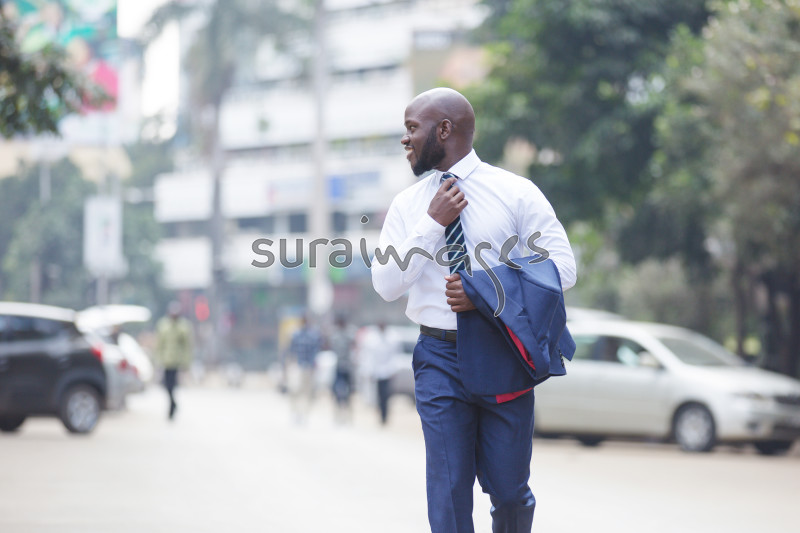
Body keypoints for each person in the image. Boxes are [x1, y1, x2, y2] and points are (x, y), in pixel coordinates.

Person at [371, 88, 577, 533]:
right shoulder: (409, 206)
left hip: (504, 353)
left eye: (412, 128)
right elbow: (386, 285)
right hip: (438, 357)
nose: (405, 139)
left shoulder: (516, 193)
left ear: (444, 130)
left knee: (509, 491)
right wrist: (432, 223)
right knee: (447, 491)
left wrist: (486, 292)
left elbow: (563, 269)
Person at [155, 301, 194, 421]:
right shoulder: (163, 325)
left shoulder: (183, 327)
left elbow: (187, 346)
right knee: (166, 386)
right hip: (166, 360)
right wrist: (157, 360)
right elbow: (159, 345)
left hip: (177, 361)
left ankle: (171, 407)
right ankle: (173, 403)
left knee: (172, 385)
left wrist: (186, 362)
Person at [359, 322, 401, 426]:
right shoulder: (372, 338)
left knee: (385, 396)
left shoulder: (392, 337)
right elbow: (369, 356)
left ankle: (385, 416)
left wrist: (393, 370)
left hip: (387, 372)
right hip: (376, 372)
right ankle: (380, 415)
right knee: (377, 396)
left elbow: (394, 355)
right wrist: (369, 370)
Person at [287, 314, 322, 424]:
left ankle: (305, 414)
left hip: (309, 368)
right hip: (298, 367)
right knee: (294, 391)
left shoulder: (313, 336)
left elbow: (316, 352)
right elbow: (290, 351)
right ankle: (296, 413)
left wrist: (314, 367)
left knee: (308, 393)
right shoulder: (295, 335)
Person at [328, 314, 357, 424]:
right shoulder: (335, 335)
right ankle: (338, 414)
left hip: (348, 367)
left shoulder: (349, 334)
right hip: (339, 367)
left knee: (349, 392)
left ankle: (348, 415)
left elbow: (354, 345)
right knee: (336, 392)